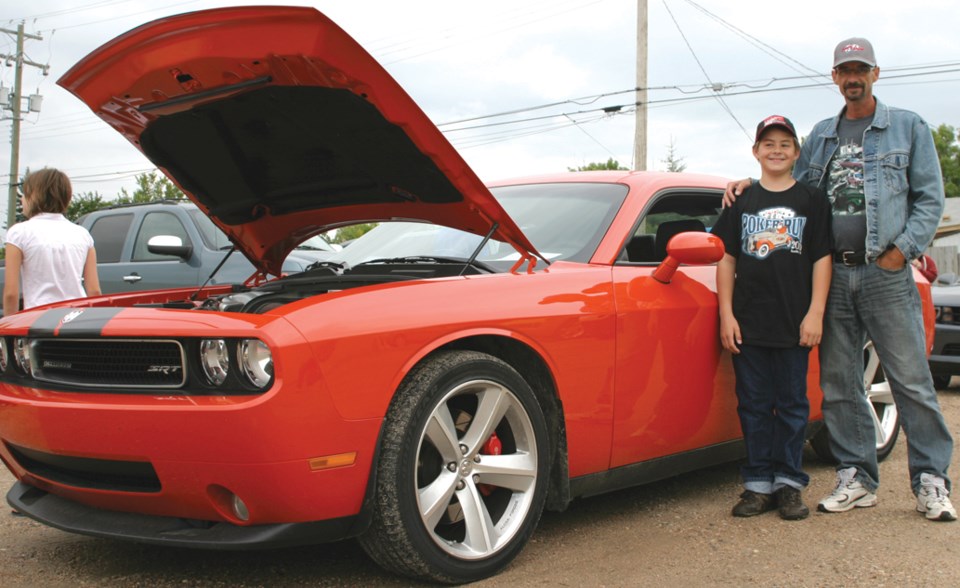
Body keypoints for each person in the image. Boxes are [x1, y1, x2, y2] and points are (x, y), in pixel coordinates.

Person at [725, 38, 955, 521]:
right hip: (833, 274)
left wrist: (900, 254)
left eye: (861, 69)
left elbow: (930, 200)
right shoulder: (822, 135)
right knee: (840, 384)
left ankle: (931, 481)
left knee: (911, 381)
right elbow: (794, 187)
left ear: (875, 72)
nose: (853, 77)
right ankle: (857, 477)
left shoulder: (907, 127)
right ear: (834, 77)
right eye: (844, 69)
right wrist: (748, 182)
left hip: (884, 274)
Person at [713, 115, 832, 520]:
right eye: (769, 143)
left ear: (797, 152)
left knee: (794, 405)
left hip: (794, 323)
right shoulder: (740, 200)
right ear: (756, 152)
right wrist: (726, 314)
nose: (777, 150)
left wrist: (815, 313)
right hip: (749, 323)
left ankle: (789, 484)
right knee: (753, 405)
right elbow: (727, 258)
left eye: (785, 143)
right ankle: (757, 484)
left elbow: (821, 258)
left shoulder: (812, 199)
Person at [3, 168, 101, 317]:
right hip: (76, 317)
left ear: (34, 196)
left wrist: (9, 334)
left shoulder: (19, 233)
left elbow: (11, 294)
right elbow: (94, 290)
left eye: (25, 193)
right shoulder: (83, 234)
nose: (22, 198)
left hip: (38, 319)